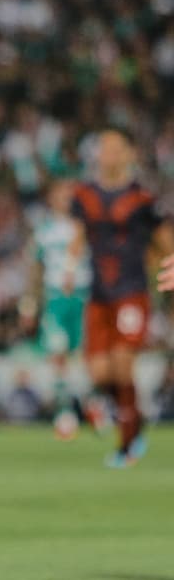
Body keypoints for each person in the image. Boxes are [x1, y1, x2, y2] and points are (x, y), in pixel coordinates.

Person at [70, 129, 173, 467]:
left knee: (122, 365)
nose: (109, 154)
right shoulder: (84, 195)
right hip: (99, 294)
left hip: (132, 291)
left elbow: (162, 239)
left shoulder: (143, 198)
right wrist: (69, 268)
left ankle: (128, 445)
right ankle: (136, 419)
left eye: (116, 149)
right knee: (100, 374)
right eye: (104, 148)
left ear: (128, 154)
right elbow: (78, 235)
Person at [22, 179, 91, 439]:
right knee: (58, 355)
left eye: (69, 194)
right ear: (51, 198)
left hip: (85, 297)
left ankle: (93, 406)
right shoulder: (43, 231)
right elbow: (34, 271)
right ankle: (66, 413)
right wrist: (28, 306)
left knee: (88, 357)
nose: (66, 199)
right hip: (55, 300)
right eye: (61, 193)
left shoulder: (86, 226)